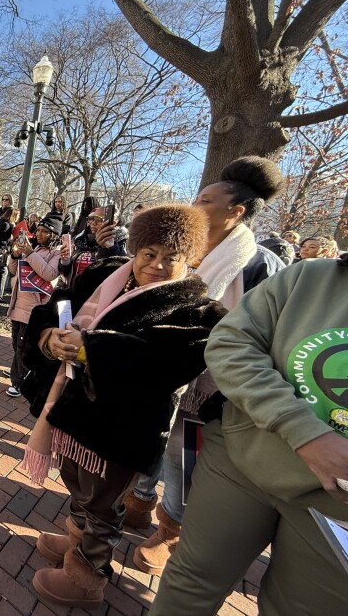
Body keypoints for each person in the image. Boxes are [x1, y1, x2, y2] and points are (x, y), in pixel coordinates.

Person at [22, 204, 225, 610]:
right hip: (73, 406)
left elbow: (165, 360)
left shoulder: (199, 309)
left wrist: (90, 348)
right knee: (76, 482)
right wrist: (48, 336)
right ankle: (77, 541)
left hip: (125, 425)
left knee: (104, 501)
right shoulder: (105, 273)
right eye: (149, 253)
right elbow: (56, 304)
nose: (157, 264)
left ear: (190, 259)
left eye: (171, 257)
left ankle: (87, 577)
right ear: (135, 249)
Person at [151, 255, 348, 616]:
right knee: (191, 580)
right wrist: (305, 433)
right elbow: (230, 342)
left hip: (338, 506)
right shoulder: (310, 277)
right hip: (242, 460)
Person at [128, 156, 286, 575]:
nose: (194, 205)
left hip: (209, 385)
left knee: (183, 458)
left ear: (236, 211)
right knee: (149, 437)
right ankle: (138, 502)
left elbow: (270, 335)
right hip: (161, 369)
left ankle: (171, 531)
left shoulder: (259, 265)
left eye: (205, 200)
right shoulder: (184, 253)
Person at [4, 216, 62, 397]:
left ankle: (19, 381)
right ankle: (18, 368)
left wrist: (29, 253)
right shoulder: (34, 248)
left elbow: (49, 273)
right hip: (18, 303)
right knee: (16, 342)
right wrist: (15, 255)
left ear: (54, 235)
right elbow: (14, 270)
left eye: (45, 232)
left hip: (34, 307)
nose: (39, 234)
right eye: (38, 231)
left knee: (24, 345)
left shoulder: (57, 253)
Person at [59, 205, 129, 287]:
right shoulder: (79, 241)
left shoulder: (122, 244)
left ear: (113, 223)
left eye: (98, 219)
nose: (92, 223)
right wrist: (65, 261)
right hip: (75, 292)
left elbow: (119, 277)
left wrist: (109, 249)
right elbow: (66, 273)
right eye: (91, 219)